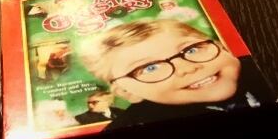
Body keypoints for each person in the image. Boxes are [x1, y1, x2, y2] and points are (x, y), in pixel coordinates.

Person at [79, 19, 261, 127]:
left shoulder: (260, 69)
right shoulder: (135, 127)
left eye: (191, 49)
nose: (188, 68)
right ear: (128, 92)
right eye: (151, 68)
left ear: (221, 46)